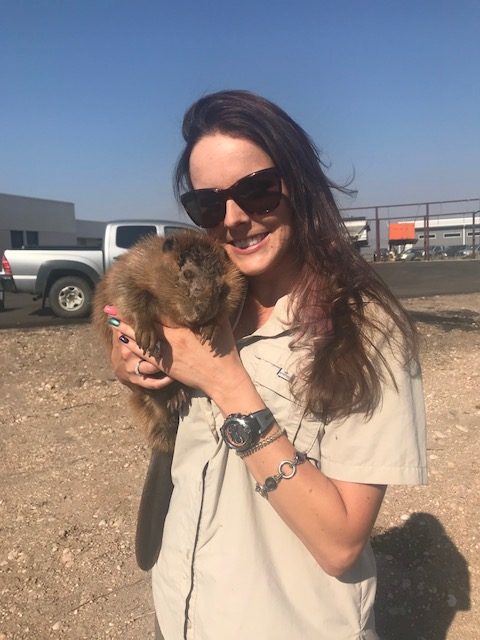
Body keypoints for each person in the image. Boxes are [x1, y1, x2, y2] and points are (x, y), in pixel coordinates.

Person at [104, 90, 427, 640]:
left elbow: (342, 543)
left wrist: (227, 382)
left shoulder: (364, 333)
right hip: (183, 611)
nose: (233, 219)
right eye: (208, 204)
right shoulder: (202, 300)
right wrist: (130, 359)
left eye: (256, 191)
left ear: (298, 184)